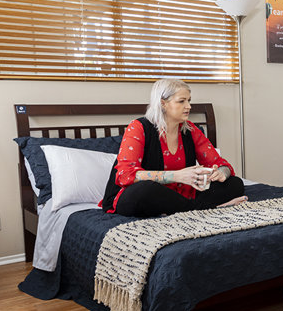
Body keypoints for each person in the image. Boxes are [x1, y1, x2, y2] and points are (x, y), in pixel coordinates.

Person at [102, 78, 247, 218]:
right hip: (141, 195)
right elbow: (125, 175)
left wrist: (222, 173)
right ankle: (211, 208)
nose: (189, 106)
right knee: (145, 191)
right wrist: (177, 176)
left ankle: (186, 210)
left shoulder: (190, 130)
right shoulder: (138, 127)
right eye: (182, 101)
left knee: (235, 183)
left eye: (189, 100)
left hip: (180, 195)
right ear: (163, 103)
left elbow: (222, 164)